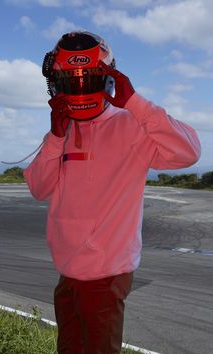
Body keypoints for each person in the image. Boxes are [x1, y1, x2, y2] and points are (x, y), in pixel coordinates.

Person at [23, 31, 201, 354]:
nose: (78, 89)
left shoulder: (131, 126)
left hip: (105, 278)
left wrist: (135, 102)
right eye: (70, 82)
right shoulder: (62, 131)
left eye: (86, 80)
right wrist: (53, 136)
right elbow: (38, 187)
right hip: (67, 275)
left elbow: (189, 151)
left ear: (107, 79)